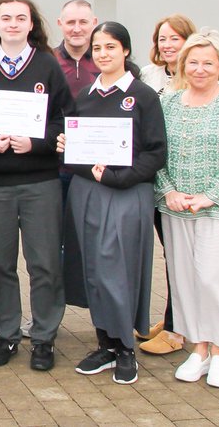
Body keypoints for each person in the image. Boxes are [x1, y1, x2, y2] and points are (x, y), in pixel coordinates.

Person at [0, 0, 72, 372]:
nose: (12, 23)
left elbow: (64, 119)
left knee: (43, 263)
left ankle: (43, 337)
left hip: (40, 181)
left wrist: (37, 143)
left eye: (20, 18)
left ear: (31, 24)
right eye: (5, 17)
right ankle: (6, 333)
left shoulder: (47, 65)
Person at [59, 22, 167, 386]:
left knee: (117, 267)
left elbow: (156, 152)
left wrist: (122, 178)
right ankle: (104, 343)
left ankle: (125, 348)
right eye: (97, 48)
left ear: (125, 50)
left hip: (126, 191)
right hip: (87, 191)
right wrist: (67, 148)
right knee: (93, 267)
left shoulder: (143, 96)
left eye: (110, 47)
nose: (103, 54)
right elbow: (75, 148)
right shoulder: (86, 96)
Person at [154, 31, 219, 389]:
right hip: (177, 207)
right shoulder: (170, 102)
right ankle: (198, 349)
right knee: (186, 281)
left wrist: (209, 196)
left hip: (218, 208)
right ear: (183, 65)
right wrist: (168, 190)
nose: (200, 69)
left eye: (208, 63)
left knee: (216, 280)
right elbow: (156, 151)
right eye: (193, 62)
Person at [136, 14, 198, 356]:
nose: (168, 45)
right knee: (170, 254)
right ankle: (175, 317)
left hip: (186, 181)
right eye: (162, 39)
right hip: (156, 179)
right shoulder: (149, 75)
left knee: (184, 256)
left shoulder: (197, 75)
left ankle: (178, 329)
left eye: (176, 38)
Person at [54, 0, 98, 97]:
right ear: (60, 23)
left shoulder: (105, 61)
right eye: (71, 22)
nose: (77, 29)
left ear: (94, 22)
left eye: (83, 22)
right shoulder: (48, 61)